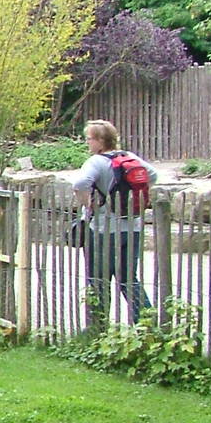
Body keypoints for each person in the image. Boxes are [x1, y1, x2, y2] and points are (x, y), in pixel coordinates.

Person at [72, 119, 159, 325]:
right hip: (132, 227)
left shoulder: (96, 161)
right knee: (129, 278)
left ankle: (98, 326)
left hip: (103, 228)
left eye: (89, 139)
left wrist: (88, 204)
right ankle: (147, 323)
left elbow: (79, 183)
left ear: (101, 141)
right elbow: (152, 175)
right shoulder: (129, 156)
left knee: (99, 279)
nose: (87, 143)